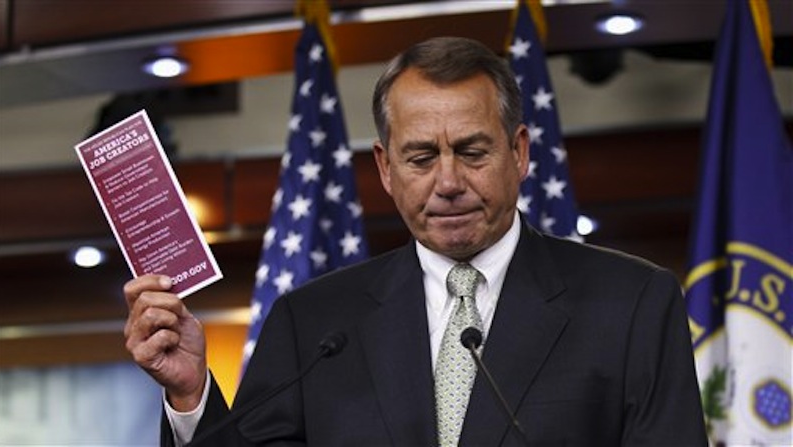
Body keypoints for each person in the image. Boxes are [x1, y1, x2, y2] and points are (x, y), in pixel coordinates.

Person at [124, 36, 707, 446]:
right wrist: (190, 395)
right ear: (384, 168)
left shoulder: (632, 303)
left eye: (472, 152)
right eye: (421, 157)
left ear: (521, 152)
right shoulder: (313, 322)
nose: (448, 182)